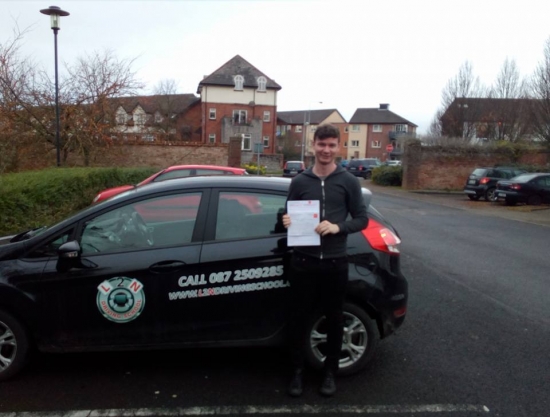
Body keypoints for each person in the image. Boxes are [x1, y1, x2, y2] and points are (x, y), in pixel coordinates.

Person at [282, 124, 368, 397]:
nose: (326, 150)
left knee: (333, 320)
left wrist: (337, 227)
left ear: (338, 147)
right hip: (303, 263)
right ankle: (297, 373)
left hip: (334, 263)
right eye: (322, 144)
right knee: (298, 320)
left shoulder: (348, 181)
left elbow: (362, 219)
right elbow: (287, 215)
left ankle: (330, 373)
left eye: (331, 145)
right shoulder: (300, 181)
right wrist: (283, 220)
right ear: (313, 145)